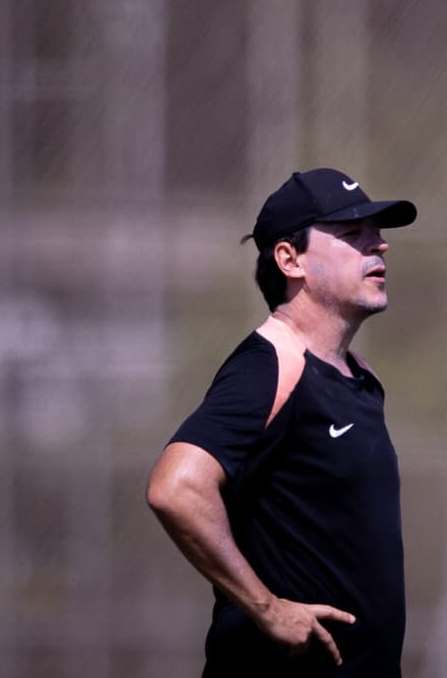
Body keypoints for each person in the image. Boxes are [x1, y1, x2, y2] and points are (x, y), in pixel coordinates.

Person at [146, 168, 417, 677]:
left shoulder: (360, 377)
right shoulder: (273, 365)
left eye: (376, 232)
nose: (378, 246)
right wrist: (267, 608)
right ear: (290, 259)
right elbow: (175, 487)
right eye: (351, 234)